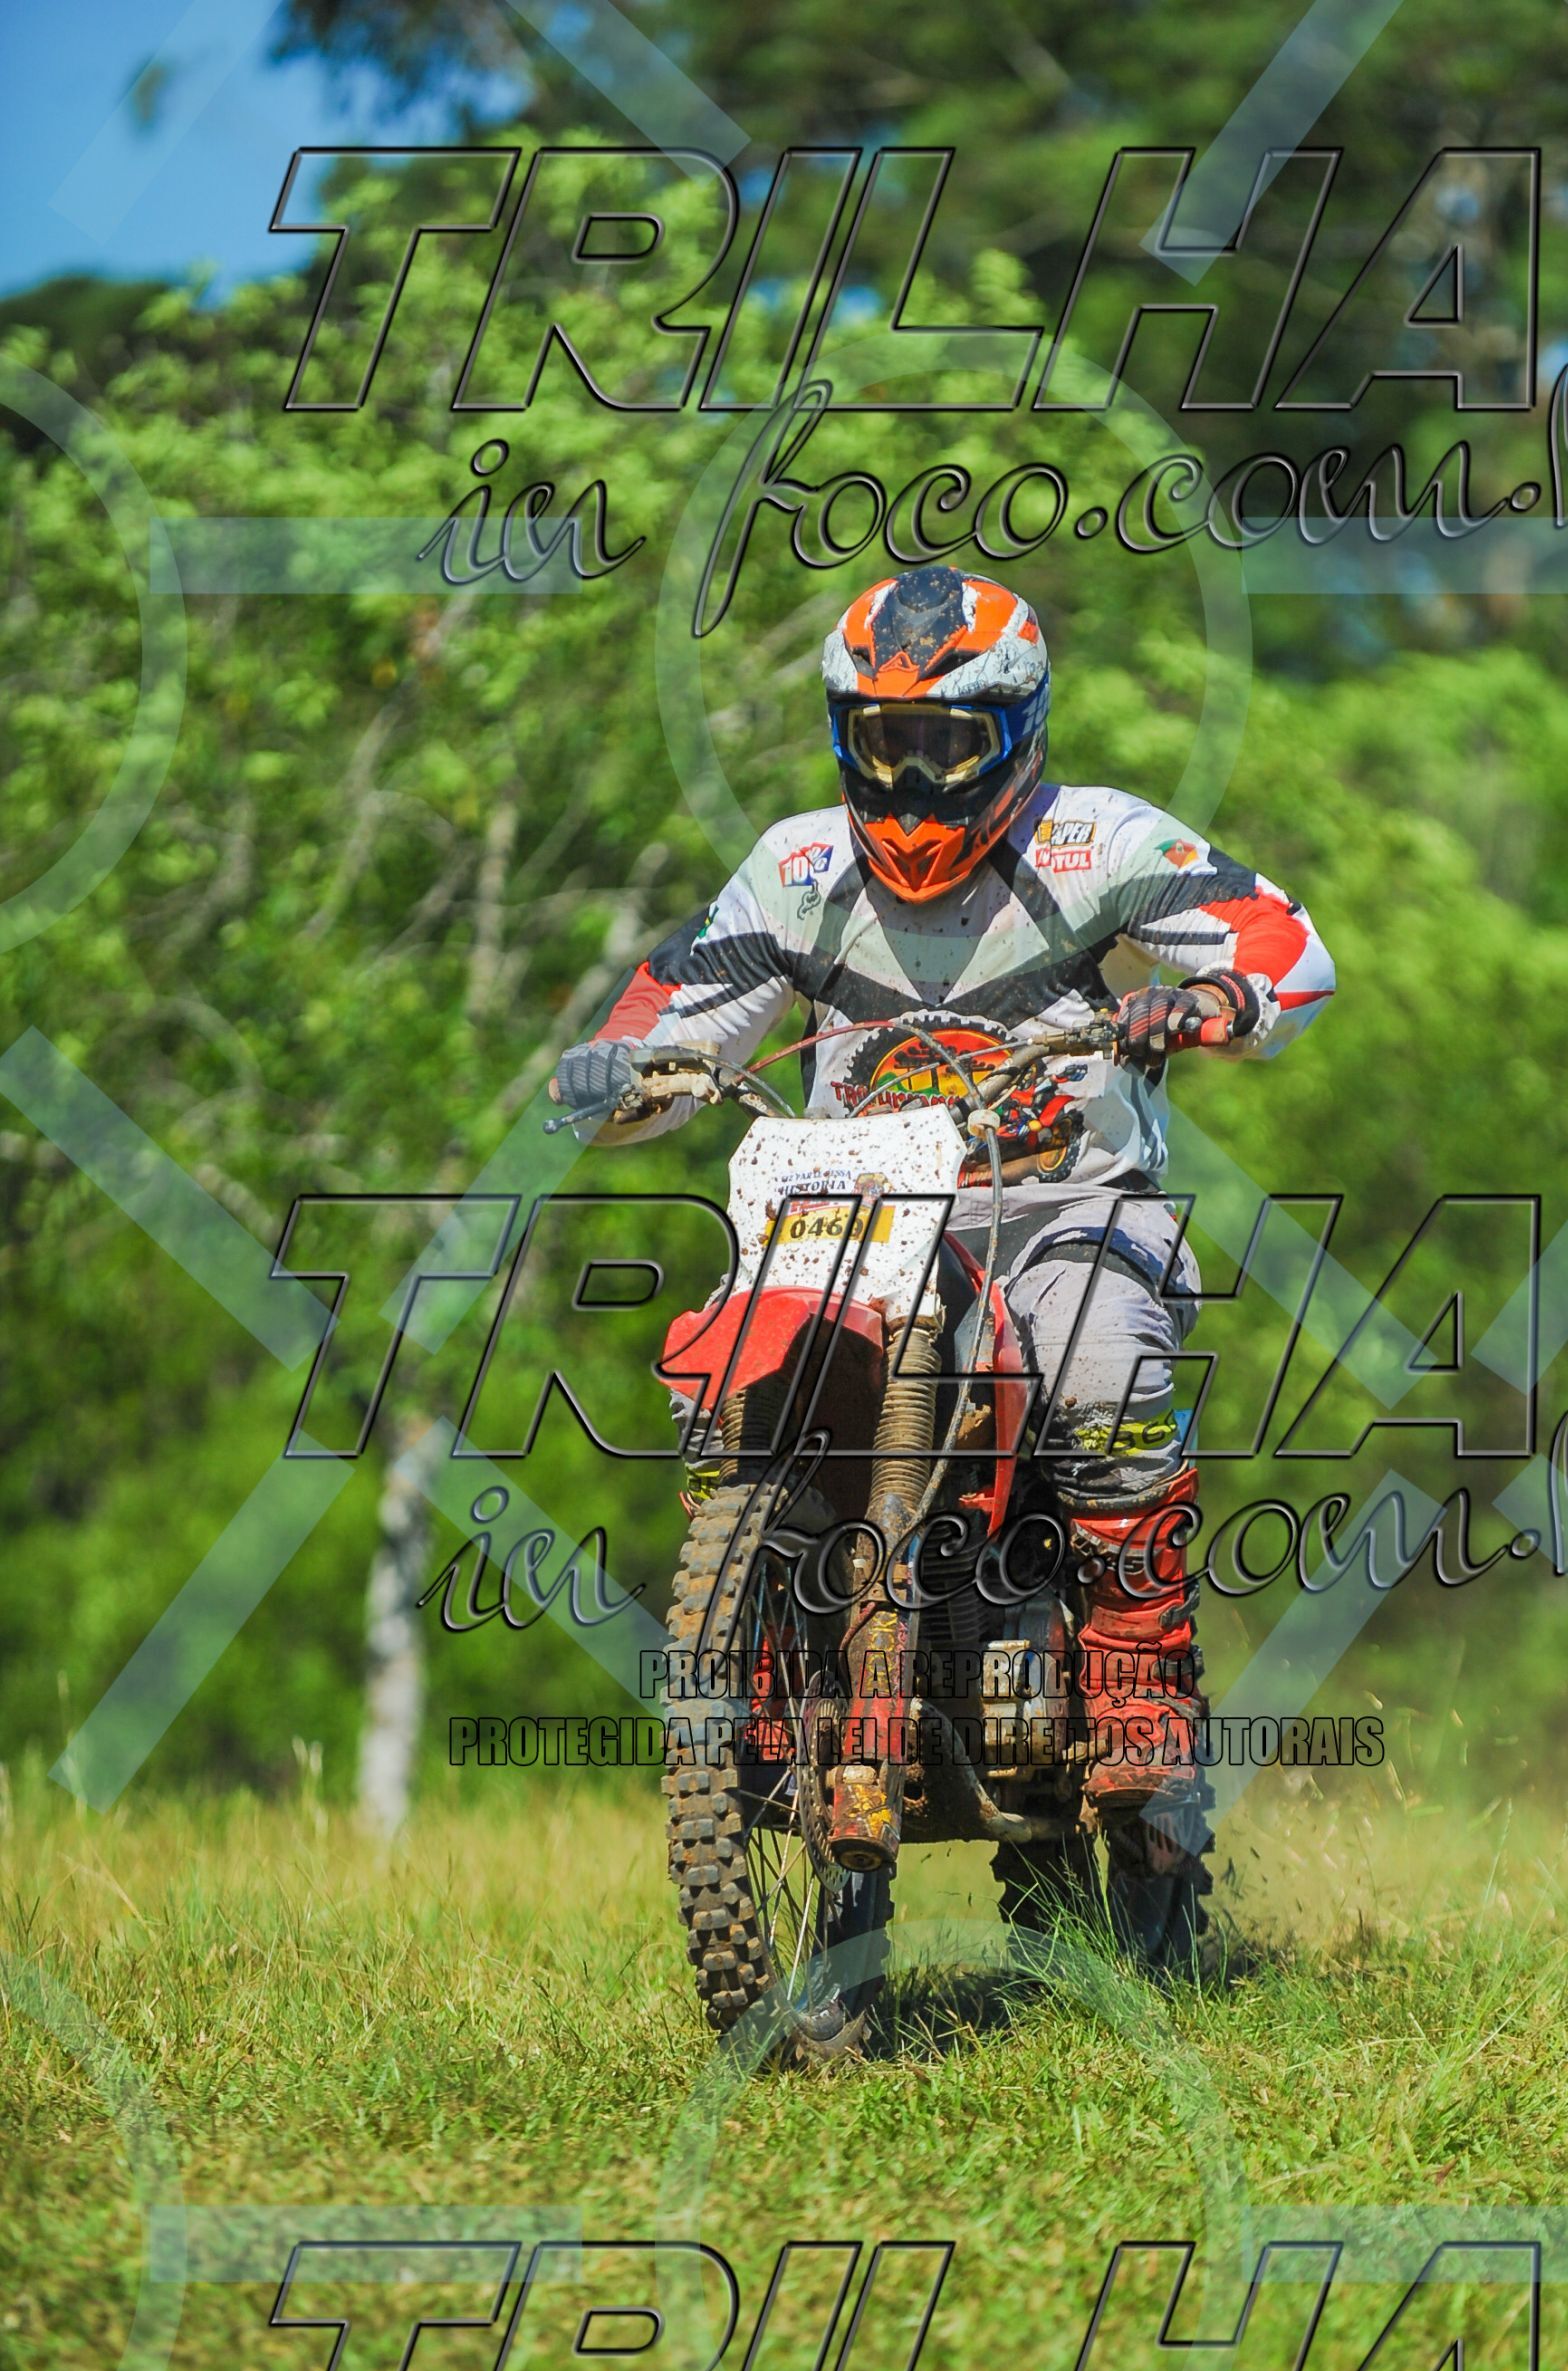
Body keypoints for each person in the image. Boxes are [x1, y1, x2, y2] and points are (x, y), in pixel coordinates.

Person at [551, 565, 1334, 1817]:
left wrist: (1213, 999)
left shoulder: (1100, 842)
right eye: (885, 745)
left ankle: (1138, 1685)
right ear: (843, 738)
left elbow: (1283, 942)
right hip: (854, 1213)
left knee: (1097, 1367)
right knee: (727, 1388)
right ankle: (752, 1668)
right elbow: (668, 1010)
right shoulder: (794, 866)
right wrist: (619, 1070)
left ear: (1015, 734)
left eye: (946, 745)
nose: (913, 783)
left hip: (1068, 1205)